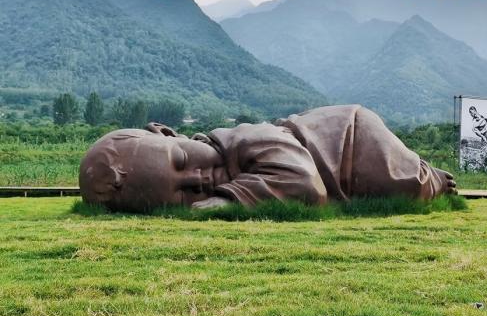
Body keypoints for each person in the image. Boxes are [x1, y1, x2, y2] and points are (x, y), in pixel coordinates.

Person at [79, 104, 457, 212]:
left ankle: (433, 176)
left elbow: (305, 185)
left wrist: (228, 200)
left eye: (181, 160)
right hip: (336, 174)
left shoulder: (244, 140)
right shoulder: (227, 166)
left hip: (347, 141)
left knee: (399, 182)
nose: (199, 178)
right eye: (183, 194)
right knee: (388, 189)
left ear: (167, 132)